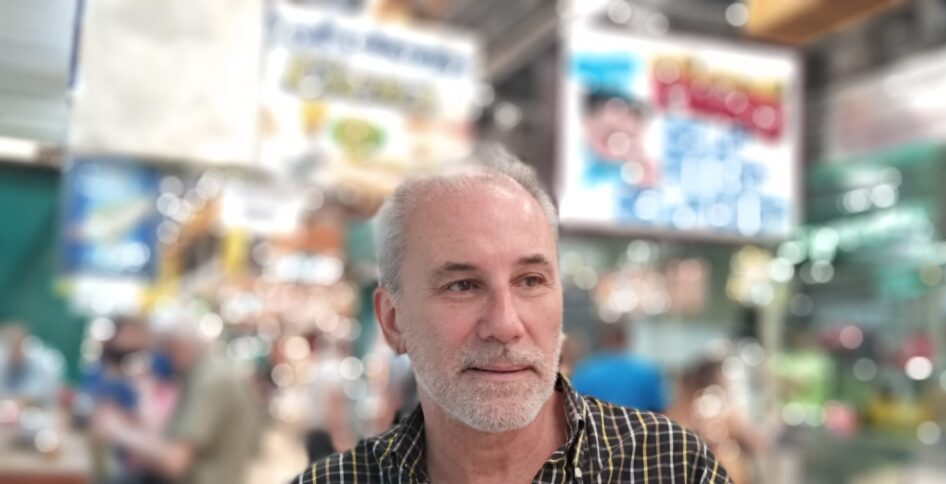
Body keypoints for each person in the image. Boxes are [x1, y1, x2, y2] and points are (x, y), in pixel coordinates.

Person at [295, 147, 730, 483]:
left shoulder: (671, 466)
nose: (505, 325)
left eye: (530, 280)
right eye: (462, 285)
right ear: (393, 321)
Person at [92, 315, 261, 484]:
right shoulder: (198, 375)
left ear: (175, 346)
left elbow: (174, 461)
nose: (156, 357)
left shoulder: (210, 381)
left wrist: (118, 430)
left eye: (159, 348)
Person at [571, 323, 669, 412]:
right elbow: (660, 409)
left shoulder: (584, 371)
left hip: (595, 425)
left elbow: (574, 408)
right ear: (626, 339)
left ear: (603, 340)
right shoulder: (647, 372)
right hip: (638, 425)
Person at [0, 322, 61, 406]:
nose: (13, 350)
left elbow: (36, 397)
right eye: (10, 344)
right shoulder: (3, 361)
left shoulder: (39, 362)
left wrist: (14, 401)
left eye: (16, 344)